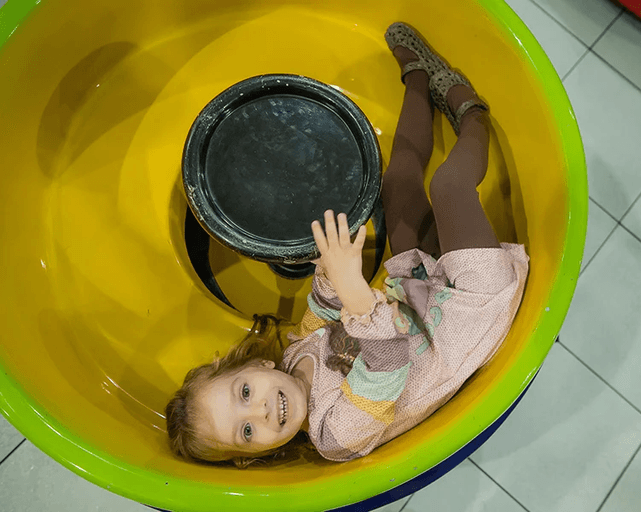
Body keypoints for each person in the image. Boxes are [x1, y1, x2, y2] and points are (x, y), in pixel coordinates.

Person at [165, 22, 529, 467]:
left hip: (420, 293)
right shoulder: (333, 435)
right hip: (467, 318)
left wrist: (327, 264)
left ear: (255, 368)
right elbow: (387, 362)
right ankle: (472, 112)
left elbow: (324, 305)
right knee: (449, 186)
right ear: (254, 455)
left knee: (396, 185)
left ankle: (417, 76)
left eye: (243, 393)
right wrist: (354, 289)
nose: (260, 411)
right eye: (245, 432)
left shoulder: (297, 351)